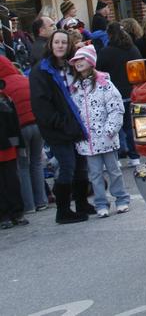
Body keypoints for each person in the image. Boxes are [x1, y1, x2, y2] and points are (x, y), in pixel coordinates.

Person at [29, 30, 91, 224]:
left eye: (64, 42)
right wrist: (61, 123)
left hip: (76, 125)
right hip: (57, 128)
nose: (60, 46)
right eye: (57, 42)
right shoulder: (41, 71)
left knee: (81, 167)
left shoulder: (71, 67)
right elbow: (41, 105)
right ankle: (63, 211)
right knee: (67, 166)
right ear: (51, 44)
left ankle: (82, 204)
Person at [68, 45, 129, 218]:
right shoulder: (76, 88)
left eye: (81, 59)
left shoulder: (105, 84)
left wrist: (110, 129)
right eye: (76, 60)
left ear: (90, 61)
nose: (78, 63)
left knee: (114, 170)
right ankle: (101, 203)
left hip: (106, 137)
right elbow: (75, 112)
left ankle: (121, 199)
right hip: (87, 140)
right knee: (94, 174)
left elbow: (116, 108)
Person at [0, 57, 46, 213]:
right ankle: (41, 200)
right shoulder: (23, 79)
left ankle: (29, 205)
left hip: (20, 129)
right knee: (37, 163)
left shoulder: (3, 87)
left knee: (22, 166)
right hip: (37, 125)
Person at [96, 23, 142, 168]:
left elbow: (98, 72)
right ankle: (135, 156)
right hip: (131, 92)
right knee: (130, 127)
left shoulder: (105, 52)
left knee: (113, 128)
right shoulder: (133, 49)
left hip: (113, 94)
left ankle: (116, 158)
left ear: (109, 34)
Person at [0, 79, 28, 229]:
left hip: (8, 148)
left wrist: (19, 144)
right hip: (9, 147)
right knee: (10, 181)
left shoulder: (5, 98)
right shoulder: (5, 98)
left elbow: (14, 124)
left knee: (10, 182)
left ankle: (12, 214)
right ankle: (12, 214)